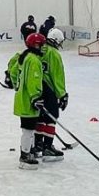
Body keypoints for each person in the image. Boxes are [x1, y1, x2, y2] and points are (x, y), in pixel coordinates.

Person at [13, 32, 48, 170]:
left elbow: (13, 72)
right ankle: (25, 156)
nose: (43, 47)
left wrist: (17, 86)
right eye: (41, 44)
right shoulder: (33, 60)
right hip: (28, 101)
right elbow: (33, 80)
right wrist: (36, 97)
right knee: (28, 130)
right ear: (36, 45)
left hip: (22, 99)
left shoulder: (24, 57)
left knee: (29, 129)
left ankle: (29, 150)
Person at [33, 32, 67, 163]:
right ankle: (48, 148)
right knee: (51, 118)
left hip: (37, 88)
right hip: (49, 90)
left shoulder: (38, 49)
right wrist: (63, 95)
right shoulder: (54, 54)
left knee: (40, 118)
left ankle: (37, 146)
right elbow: (57, 76)